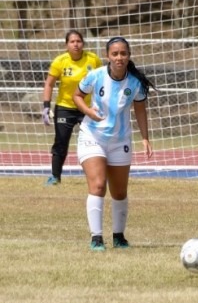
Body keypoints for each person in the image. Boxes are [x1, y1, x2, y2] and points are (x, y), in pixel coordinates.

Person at [72, 36, 155, 251]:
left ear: (129, 56)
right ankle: (96, 238)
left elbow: (140, 109)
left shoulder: (135, 83)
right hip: (93, 137)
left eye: (123, 53)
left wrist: (145, 138)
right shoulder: (96, 76)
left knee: (119, 192)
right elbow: (77, 95)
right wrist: (88, 111)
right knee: (98, 185)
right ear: (108, 56)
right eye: (115, 53)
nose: (119, 57)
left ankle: (119, 236)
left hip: (120, 141)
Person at [42, 30, 103, 186]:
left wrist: (102, 103)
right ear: (66, 45)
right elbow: (49, 84)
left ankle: (100, 175)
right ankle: (55, 177)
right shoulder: (60, 61)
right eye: (72, 42)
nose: (76, 44)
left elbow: (102, 81)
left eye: (78, 41)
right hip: (65, 107)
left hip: (87, 108)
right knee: (61, 142)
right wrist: (46, 106)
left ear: (83, 43)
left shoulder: (93, 59)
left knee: (97, 140)